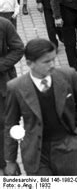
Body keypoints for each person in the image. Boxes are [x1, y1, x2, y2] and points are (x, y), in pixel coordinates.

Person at [3, 38, 77, 176]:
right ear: (29, 63)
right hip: (36, 154)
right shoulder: (16, 88)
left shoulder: (68, 76)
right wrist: (11, 160)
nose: (52, 65)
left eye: (53, 59)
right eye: (46, 61)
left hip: (66, 150)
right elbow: (10, 124)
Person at [0, 17, 24, 174]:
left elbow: (18, 49)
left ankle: (7, 163)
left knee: (5, 123)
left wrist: (1, 65)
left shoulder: (4, 24)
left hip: (2, 84)